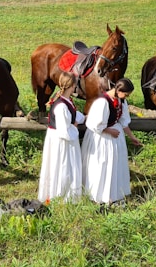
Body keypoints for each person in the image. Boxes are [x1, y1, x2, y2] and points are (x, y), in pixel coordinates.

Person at [81, 77, 143, 206]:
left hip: (114, 139)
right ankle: (98, 196)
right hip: (101, 139)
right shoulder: (102, 102)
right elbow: (94, 124)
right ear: (118, 90)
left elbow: (123, 121)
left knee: (114, 166)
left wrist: (131, 137)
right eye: (125, 94)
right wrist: (109, 131)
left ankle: (113, 194)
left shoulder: (121, 101)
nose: (126, 97)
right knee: (101, 165)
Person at [38, 71, 85, 203]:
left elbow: (74, 115)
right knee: (63, 166)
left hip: (63, 139)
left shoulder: (66, 101)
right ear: (73, 86)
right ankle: (61, 196)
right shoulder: (61, 106)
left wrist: (83, 118)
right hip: (61, 142)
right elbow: (64, 131)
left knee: (66, 166)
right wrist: (75, 126)